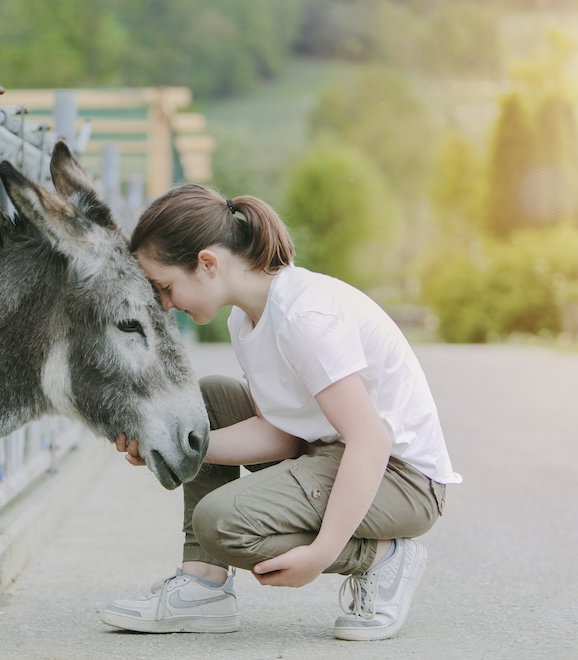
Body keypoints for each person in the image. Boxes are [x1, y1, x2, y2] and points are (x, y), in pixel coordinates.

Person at [100, 184, 461, 641]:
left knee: (221, 521)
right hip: (330, 453)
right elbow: (282, 434)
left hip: (401, 480)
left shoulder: (305, 318)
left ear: (207, 264)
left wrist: (324, 553)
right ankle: (202, 587)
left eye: (165, 287)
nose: (166, 305)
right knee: (205, 404)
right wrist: (178, 443)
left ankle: (384, 557)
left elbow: (371, 440)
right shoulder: (247, 318)